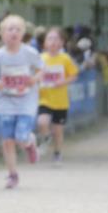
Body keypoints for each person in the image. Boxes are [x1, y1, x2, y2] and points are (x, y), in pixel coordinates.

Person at [0, 15, 43, 189]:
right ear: (2, 34)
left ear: (23, 33)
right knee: (8, 140)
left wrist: (33, 79)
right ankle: (12, 175)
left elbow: (41, 70)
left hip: (26, 101)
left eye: (18, 29)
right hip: (6, 102)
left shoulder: (29, 53)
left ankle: (29, 142)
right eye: (10, 29)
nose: (14, 32)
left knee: (21, 137)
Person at [36, 27, 79, 164]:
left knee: (58, 131)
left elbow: (74, 75)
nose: (53, 42)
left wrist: (63, 81)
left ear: (62, 42)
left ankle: (57, 153)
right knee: (42, 121)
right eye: (50, 38)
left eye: (56, 39)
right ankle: (45, 138)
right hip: (44, 98)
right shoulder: (40, 58)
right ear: (45, 43)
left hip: (60, 101)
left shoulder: (65, 59)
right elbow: (34, 74)